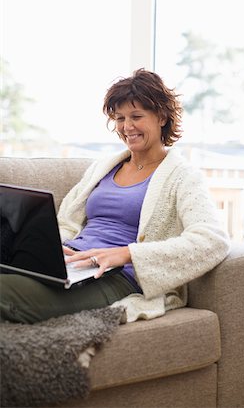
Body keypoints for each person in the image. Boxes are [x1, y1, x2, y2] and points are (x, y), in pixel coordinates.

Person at [0, 69, 230, 324]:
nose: (126, 127)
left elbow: (212, 240)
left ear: (162, 117)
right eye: (119, 118)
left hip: (117, 276)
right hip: (72, 266)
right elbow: (66, 223)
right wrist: (52, 252)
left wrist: (128, 254)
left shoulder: (182, 176)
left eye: (136, 116)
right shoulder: (104, 168)